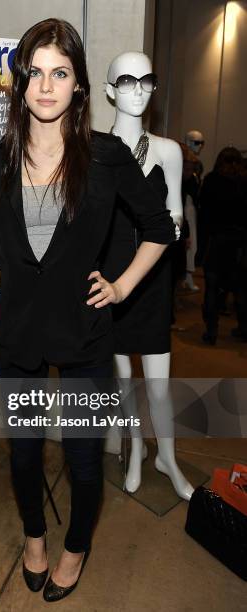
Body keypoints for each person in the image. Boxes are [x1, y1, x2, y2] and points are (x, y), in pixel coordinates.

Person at [0, 18, 175, 602]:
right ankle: (34, 537)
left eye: (59, 73)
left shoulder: (107, 157)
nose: (45, 86)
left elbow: (159, 227)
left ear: (78, 87)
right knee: (24, 453)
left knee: (86, 463)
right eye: (34, 73)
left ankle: (75, 547)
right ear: (19, 83)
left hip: (85, 332)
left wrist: (119, 287)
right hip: (16, 331)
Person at [103, 51, 193, 500]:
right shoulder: (97, 151)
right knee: (125, 384)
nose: (137, 89)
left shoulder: (168, 151)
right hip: (111, 282)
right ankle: (137, 447)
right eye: (126, 80)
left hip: (153, 281)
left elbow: (176, 215)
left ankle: (168, 458)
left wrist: (167, 225)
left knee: (158, 387)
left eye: (145, 80)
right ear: (109, 90)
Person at [200, 147, 245, 345]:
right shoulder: (244, 183)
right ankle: (244, 330)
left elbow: (204, 213)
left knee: (212, 288)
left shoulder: (210, 180)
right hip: (240, 244)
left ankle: (211, 332)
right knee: (241, 290)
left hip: (217, 242)